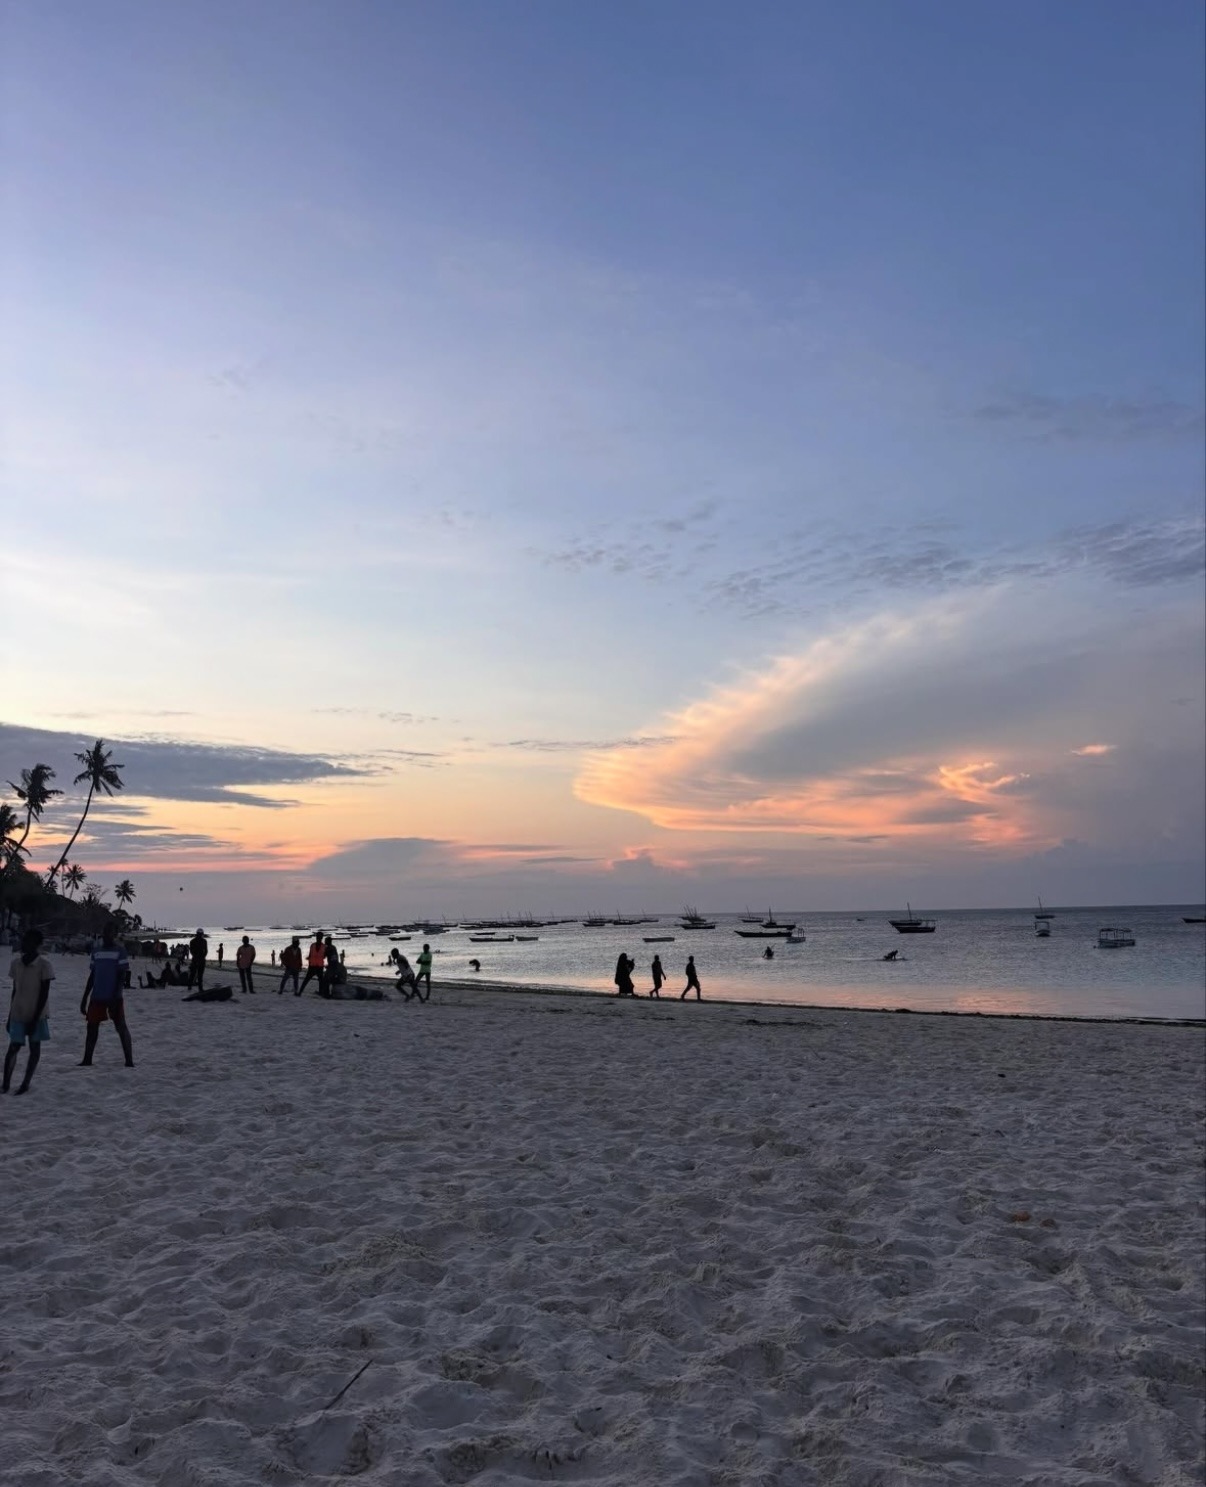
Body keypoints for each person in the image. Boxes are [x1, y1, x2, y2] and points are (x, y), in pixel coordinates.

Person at [5, 928, 53, 1095]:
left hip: (37, 1014)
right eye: (24, 940)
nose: (24, 943)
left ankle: (25, 1083)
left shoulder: (44, 965)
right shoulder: (16, 964)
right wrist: (9, 1016)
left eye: (29, 940)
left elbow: (44, 994)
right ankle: (5, 1084)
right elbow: (15, 990)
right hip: (18, 1011)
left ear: (37, 944)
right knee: (13, 1047)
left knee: (34, 1048)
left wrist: (35, 1018)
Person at [80, 923, 134, 1068]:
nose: (107, 934)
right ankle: (87, 1060)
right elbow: (93, 975)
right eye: (105, 931)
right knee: (91, 1027)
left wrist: (116, 996)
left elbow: (122, 976)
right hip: (97, 995)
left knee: (120, 1026)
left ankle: (129, 1061)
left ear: (115, 934)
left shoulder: (120, 951)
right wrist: (85, 997)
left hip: (114, 996)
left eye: (110, 932)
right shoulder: (96, 951)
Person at [298, 932, 326, 996]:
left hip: (319, 966)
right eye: (317, 937)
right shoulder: (313, 945)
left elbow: (324, 956)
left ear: (321, 938)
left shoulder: (324, 946)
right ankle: (300, 992)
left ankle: (320, 993)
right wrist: (309, 961)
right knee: (307, 979)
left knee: (320, 980)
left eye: (319, 937)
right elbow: (310, 954)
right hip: (312, 966)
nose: (318, 938)